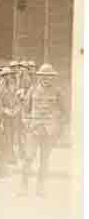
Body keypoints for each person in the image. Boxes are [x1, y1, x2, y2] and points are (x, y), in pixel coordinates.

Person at [18, 63, 67, 197]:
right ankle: (24, 186)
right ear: (40, 77)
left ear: (52, 78)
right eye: (44, 76)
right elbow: (25, 109)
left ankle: (41, 188)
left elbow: (64, 113)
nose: (46, 79)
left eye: (49, 76)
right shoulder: (33, 90)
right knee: (28, 157)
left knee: (44, 160)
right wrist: (27, 122)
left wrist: (57, 126)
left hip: (49, 131)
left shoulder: (57, 92)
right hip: (33, 130)